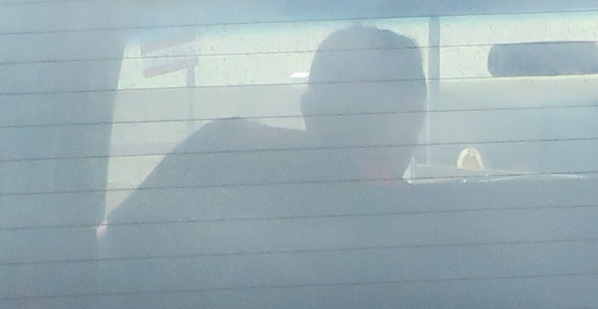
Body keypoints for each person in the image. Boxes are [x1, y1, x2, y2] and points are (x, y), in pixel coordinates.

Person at [109, 23, 429, 234]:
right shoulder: (451, 231)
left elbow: (117, 239)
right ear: (415, 118)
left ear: (310, 111)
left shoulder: (214, 159)